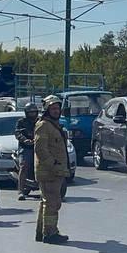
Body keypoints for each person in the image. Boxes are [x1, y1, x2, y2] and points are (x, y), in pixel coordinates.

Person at [33, 95, 71, 243]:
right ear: (47, 110)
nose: (56, 111)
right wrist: (53, 165)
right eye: (53, 108)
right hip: (49, 172)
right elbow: (40, 149)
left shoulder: (53, 125)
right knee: (52, 202)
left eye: (58, 108)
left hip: (54, 170)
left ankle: (41, 232)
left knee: (46, 202)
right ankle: (50, 233)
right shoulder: (43, 125)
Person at [13, 102, 40, 200]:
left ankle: (45, 188)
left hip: (39, 147)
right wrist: (25, 140)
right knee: (24, 166)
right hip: (26, 148)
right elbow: (17, 133)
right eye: (30, 112)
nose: (32, 114)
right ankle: (20, 191)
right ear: (26, 113)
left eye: (34, 112)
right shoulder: (21, 122)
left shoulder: (40, 121)